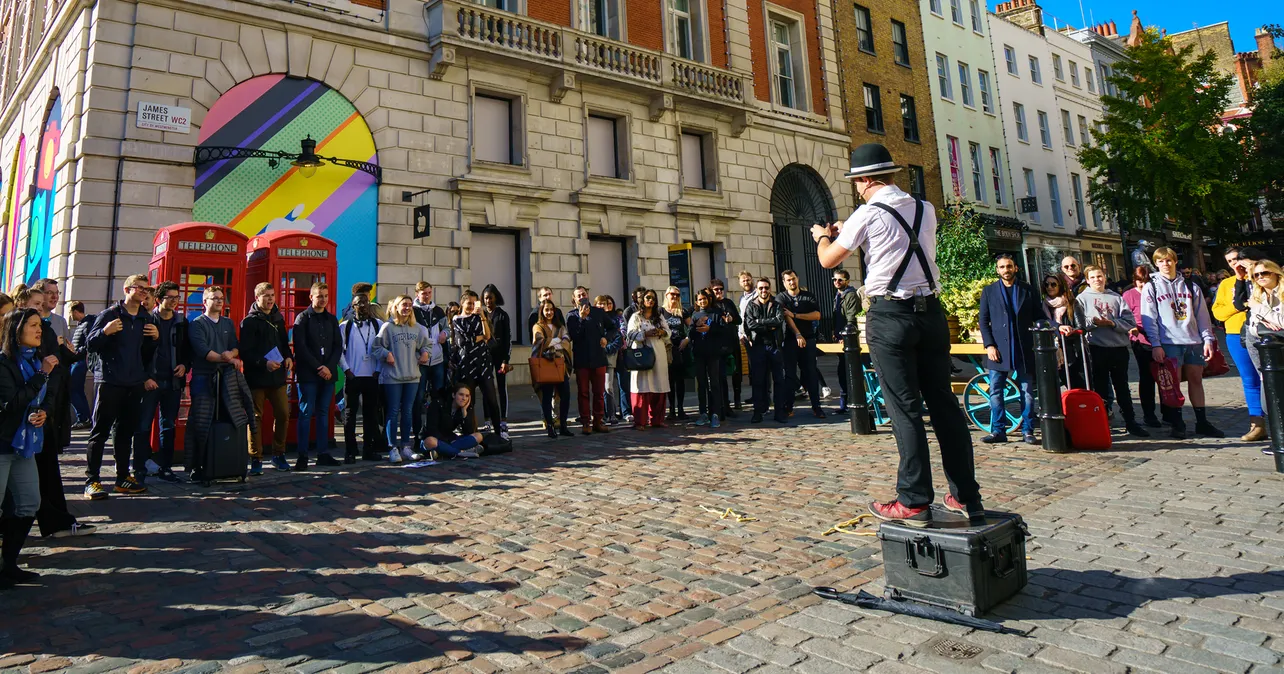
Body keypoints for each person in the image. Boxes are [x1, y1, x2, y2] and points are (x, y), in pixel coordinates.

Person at [811, 143, 982, 527]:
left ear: (867, 179)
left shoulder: (866, 213)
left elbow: (827, 260)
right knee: (943, 406)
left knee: (903, 407)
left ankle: (914, 500)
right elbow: (896, 239)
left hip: (891, 315)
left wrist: (822, 235)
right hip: (931, 314)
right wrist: (853, 230)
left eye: (857, 181)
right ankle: (965, 497)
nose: (856, 187)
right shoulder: (926, 209)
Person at [84, 274, 159, 499]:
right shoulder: (110, 315)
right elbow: (90, 344)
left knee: (125, 433)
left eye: (147, 289)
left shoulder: (146, 319)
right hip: (110, 381)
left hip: (134, 383)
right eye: (140, 288)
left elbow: (146, 354)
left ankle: (122, 478)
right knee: (100, 432)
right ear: (127, 290)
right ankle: (92, 480)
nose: (145, 292)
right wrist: (104, 332)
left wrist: (156, 339)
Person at [1140, 246, 1224, 440]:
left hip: (1193, 340)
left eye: (1168, 260)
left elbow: (1202, 315)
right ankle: (1177, 423)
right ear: (1156, 263)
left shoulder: (1190, 286)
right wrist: (1156, 344)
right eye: (1161, 261)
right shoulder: (1151, 287)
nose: (1165, 264)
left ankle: (1202, 421)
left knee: (1196, 380)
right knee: (1173, 384)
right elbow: (1149, 319)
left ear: (1175, 261)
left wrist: (1208, 339)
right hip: (1169, 342)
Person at [0, 308, 56, 586]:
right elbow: (11, 403)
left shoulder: (35, 360)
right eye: (33, 325)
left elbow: (44, 399)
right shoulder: (3, 363)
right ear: (16, 330)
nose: (39, 331)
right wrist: (42, 375)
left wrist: (44, 412)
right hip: (2, 443)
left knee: (28, 503)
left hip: (24, 445)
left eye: (40, 325)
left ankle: (8, 564)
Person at [1074, 265, 1149, 437]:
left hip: (1118, 348)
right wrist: (1094, 322)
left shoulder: (1116, 297)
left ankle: (1131, 421)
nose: (1097, 280)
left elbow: (1129, 322)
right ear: (1087, 280)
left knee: (1122, 387)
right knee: (1100, 388)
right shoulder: (1081, 299)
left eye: (1099, 276)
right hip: (1096, 348)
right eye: (1092, 277)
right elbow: (1080, 323)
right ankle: (1103, 421)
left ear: (1105, 277)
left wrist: (1112, 323)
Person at [977, 254, 1040, 445]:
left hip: (1023, 348)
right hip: (998, 350)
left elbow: (1039, 317)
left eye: (1009, 266)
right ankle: (998, 430)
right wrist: (989, 345)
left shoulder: (1027, 290)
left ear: (1016, 268)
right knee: (996, 391)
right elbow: (983, 320)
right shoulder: (989, 291)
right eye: (1002, 267)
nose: (1006, 270)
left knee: (1027, 391)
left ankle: (1028, 430)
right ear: (997, 270)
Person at [136, 281, 191, 482]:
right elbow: (138, 353)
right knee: (143, 425)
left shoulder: (183, 323)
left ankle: (165, 466)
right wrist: (145, 377)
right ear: (159, 299)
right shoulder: (147, 321)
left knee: (168, 425)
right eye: (171, 297)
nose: (175, 301)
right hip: (151, 381)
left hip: (173, 381)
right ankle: (140, 467)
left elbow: (187, 351)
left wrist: (185, 365)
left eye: (177, 297)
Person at [240, 282, 295, 473]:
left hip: (277, 377)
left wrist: (289, 357)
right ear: (257, 298)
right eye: (266, 296)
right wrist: (264, 363)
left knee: (283, 414)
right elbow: (245, 352)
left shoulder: (278, 318)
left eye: (272, 295)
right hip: (257, 379)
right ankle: (256, 458)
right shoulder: (248, 322)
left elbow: (284, 343)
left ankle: (279, 454)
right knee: (255, 418)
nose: (271, 299)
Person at [1213, 247, 1266, 442]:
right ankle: (1257, 423)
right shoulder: (1227, 284)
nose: (1235, 264)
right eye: (1230, 262)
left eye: (1237, 259)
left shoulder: (1261, 276)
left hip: (1262, 332)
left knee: (1269, 377)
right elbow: (1218, 313)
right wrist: (1237, 306)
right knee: (1249, 379)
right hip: (1236, 334)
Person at [374, 295, 431, 463]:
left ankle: (406, 446)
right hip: (393, 376)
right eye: (403, 305)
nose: (407, 308)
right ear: (396, 307)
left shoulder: (416, 328)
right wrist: (387, 354)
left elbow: (427, 345)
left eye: (409, 305)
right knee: (392, 411)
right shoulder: (387, 327)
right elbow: (376, 347)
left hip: (412, 376)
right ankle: (392, 448)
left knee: (407, 411)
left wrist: (425, 352)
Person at [293, 283, 342, 469]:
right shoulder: (302, 319)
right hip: (309, 374)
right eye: (319, 295)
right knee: (305, 413)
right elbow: (301, 348)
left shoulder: (331, 319)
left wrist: (329, 367)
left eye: (326, 295)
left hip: (328, 375)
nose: (323, 299)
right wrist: (319, 367)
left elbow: (338, 345)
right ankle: (302, 456)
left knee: (323, 413)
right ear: (311, 297)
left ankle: (323, 453)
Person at [339, 293, 384, 462]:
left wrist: (378, 371)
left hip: (371, 376)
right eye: (359, 303)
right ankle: (350, 451)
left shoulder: (378, 325)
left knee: (370, 415)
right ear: (353, 306)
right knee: (350, 415)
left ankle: (368, 449)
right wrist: (347, 370)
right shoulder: (345, 326)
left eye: (365, 303)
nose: (363, 306)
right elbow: (339, 352)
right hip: (353, 377)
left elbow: (383, 349)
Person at [777, 270, 825, 419]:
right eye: (788, 280)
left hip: (809, 339)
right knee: (790, 375)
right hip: (790, 340)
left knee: (811, 373)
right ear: (784, 283)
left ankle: (817, 407)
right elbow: (786, 317)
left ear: (797, 279)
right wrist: (798, 333)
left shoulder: (808, 296)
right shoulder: (781, 297)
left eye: (793, 279)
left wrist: (797, 315)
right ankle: (788, 407)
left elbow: (817, 315)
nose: (792, 282)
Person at [453, 290, 503, 434]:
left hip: (483, 362)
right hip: (467, 363)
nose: (471, 306)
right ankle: (471, 432)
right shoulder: (457, 319)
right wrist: (478, 338)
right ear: (462, 303)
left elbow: (487, 335)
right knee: (469, 401)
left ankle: (499, 431)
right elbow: (462, 342)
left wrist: (482, 316)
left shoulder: (479, 317)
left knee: (492, 399)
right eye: (469, 303)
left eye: (474, 303)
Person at [1122, 267, 1163, 428]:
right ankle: (1149, 413)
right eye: (1139, 281)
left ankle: (1168, 412)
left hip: (1160, 337)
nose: (1142, 285)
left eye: (1145, 281)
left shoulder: (1156, 291)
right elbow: (1124, 316)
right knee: (1147, 376)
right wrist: (1132, 328)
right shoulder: (1129, 295)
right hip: (1140, 339)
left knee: (1165, 376)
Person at [567, 288, 612, 434]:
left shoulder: (598, 312)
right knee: (583, 393)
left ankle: (598, 421)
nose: (582, 297)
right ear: (574, 299)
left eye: (584, 294)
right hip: (582, 360)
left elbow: (613, 327)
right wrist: (581, 318)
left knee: (599, 392)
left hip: (598, 358)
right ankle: (585, 422)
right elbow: (574, 336)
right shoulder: (572, 316)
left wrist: (607, 338)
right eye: (578, 295)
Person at [743, 278, 789, 423]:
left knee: (779, 380)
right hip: (757, 346)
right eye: (761, 288)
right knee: (758, 381)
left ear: (770, 289)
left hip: (774, 346)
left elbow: (779, 320)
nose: (764, 291)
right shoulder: (751, 305)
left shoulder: (776, 304)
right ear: (756, 289)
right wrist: (767, 325)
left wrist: (759, 323)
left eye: (766, 288)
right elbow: (749, 324)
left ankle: (779, 412)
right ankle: (758, 411)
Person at [626, 289, 671, 429]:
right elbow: (630, 334)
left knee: (659, 384)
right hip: (642, 354)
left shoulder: (659, 316)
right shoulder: (636, 316)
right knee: (642, 386)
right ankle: (640, 421)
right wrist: (645, 333)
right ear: (642, 300)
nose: (650, 300)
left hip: (658, 353)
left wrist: (661, 332)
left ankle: (657, 420)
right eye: (647, 297)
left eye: (653, 298)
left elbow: (668, 332)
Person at [532, 299, 574, 438]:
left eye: (551, 309)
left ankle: (563, 425)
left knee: (565, 395)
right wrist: (557, 341)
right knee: (546, 396)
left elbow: (567, 341)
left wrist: (553, 342)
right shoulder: (538, 326)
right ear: (542, 312)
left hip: (560, 366)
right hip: (546, 366)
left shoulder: (560, 326)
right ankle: (550, 426)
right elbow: (539, 342)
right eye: (546, 310)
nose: (549, 312)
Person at [413, 281, 448, 437]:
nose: (426, 296)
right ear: (417, 294)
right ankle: (418, 431)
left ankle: (437, 428)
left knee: (438, 395)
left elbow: (447, 328)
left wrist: (445, 334)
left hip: (437, 359)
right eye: (423, 293)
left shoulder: (438, 311)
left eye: (429, 293)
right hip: (419, 361)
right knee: (419, 396)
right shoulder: (412, 311)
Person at [689, 288, 725, 428]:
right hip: (699, 353)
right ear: (697, 302)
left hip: (713, 353)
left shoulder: (716, 313)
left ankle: (715, 413)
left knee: (714, 383)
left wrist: (710, 329)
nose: (702, 301)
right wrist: (696, 326)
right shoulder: (695, 315)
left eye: (704, 299)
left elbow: (723, 331)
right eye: (700, 300)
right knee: (702, 383)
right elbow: (690, 334)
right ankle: (703, 413)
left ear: (708, 299)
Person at [420, 383, 484, 461]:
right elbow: (432, 430)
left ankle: (444, 451)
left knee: (478, 436)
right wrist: (448, 441)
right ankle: (460, 453)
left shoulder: (465, 408)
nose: (464, 398)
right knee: (430, 441)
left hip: (450, 439)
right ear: (453, 395)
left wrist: (464, 412)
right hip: (434, 438)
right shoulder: (437, 404)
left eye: (467, 396)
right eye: (461, 395)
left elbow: (470, 432)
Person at [481, 285, 512, 434]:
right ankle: (487, 420)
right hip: (485, 356)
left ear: (496, 298)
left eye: (490, 298)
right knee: (487, 388)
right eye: (486, 298)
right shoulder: (481, 315)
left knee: (501, 387)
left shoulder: (502, 315)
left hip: (500, 357)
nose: (488, 301)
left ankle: (503, 420)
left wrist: (506, 360)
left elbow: (508, 339)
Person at [709, 280, 741, 419]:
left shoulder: (728, 303)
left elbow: (739, 320)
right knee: (721, 376)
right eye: (716, 289)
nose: (719, 292)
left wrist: (731, 318)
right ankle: (723, 405)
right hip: (719, 345)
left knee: (736, 371)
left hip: (732, 341)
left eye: (721, 289)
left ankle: (736, 400)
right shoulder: (711, 305)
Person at [830, 269, 860, 415]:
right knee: (842, 370)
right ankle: (844, 403)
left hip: (848, 338)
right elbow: (836, 316)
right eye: (834, 279)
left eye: (840, 280)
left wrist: (844, 336)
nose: (837, 282)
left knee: (848, 370)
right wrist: (834, 332)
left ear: (847, 281)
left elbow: (851, 318)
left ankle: (850, 402)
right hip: (839, 336)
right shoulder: (838, 295)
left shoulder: (850, 295)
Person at [661, 286, 690, 420]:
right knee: (670, 380)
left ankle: (681, 408)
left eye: (677, 295)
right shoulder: (660, 311)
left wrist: (687, 339)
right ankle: (671, 409)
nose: (675, 297)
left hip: (680, 349)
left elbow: (692, 327)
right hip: (666, 350)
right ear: (666, 295)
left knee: (680, 380)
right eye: (672, 294)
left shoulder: (682, 311)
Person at [595, 296, 625, 425]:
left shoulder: (613, 319)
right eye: (599, 304)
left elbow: (618, 337)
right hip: (595, 357)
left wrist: (607, 348)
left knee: (608, 386)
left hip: (609, 356)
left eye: (604, 303)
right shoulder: (593, 318)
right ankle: (601, 414)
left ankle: (611, 414)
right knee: (598, 388)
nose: (602, 306)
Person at [65, 301, 91, 427]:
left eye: (70, 313)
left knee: (73, 389)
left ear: (75, 311)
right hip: (77, 360)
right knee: (77, 390)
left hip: (80, 361)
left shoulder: (86, 324)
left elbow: (88, 344)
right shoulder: (82, 325)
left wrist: (76, 351)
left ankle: (83, 417)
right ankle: (84, 417)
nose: (70, 316)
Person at [735, 271, 755, 411]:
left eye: (748, 280)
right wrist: (740, 334)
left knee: (760, 368)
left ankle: (766, 395)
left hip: (755, 337)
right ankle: (755, 395)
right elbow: (741, 318)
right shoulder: (742, 298)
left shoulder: (757, 295)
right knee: (751, 368)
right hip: (744, 337)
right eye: (743, 281)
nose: (746, 282)